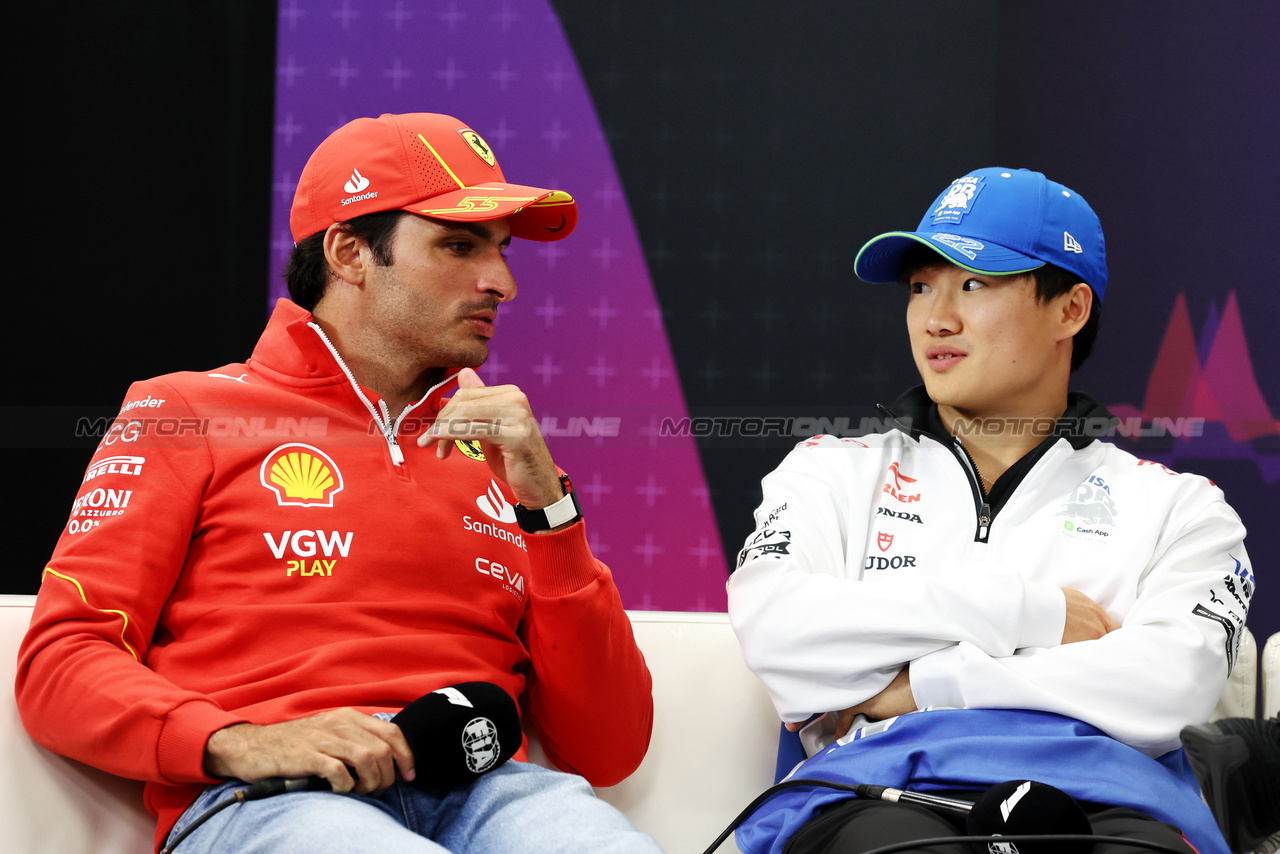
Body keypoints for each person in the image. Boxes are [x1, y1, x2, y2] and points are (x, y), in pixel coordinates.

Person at [16, 112, 660, 854]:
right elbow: (59, 662)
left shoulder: (505, 457)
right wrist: (238, 740)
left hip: (492, 792)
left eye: (503, 251)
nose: (502, 283)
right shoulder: (184, 411)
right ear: (350, 252)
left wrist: (549, 507)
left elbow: (610, 748)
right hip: (268, 799)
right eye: (458, 244)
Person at [727, 168, 1253, 854]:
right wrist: (1033, 614)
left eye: (973, 283)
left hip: (1108, 804)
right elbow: (775, 630)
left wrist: (918, 686)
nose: (936, 317)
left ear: (1070, 309)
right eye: (921, 287)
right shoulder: (832, 470)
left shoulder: (1180, 507)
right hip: (873, 793)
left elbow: (1169, 684)